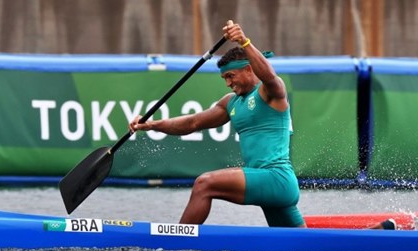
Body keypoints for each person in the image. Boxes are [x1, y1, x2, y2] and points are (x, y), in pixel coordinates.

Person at [128, 20, 305, 228]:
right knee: (298, 247)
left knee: (205, 184)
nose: (228, 83)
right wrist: (151, 125)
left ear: (248, 69)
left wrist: (244, 42)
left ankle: (177, 240)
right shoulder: (230, 102)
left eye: (231, 76)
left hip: (276, 178)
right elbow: (192, 122)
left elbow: (269, 76)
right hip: (267, 182)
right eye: (224, 78)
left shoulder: (270, 93)